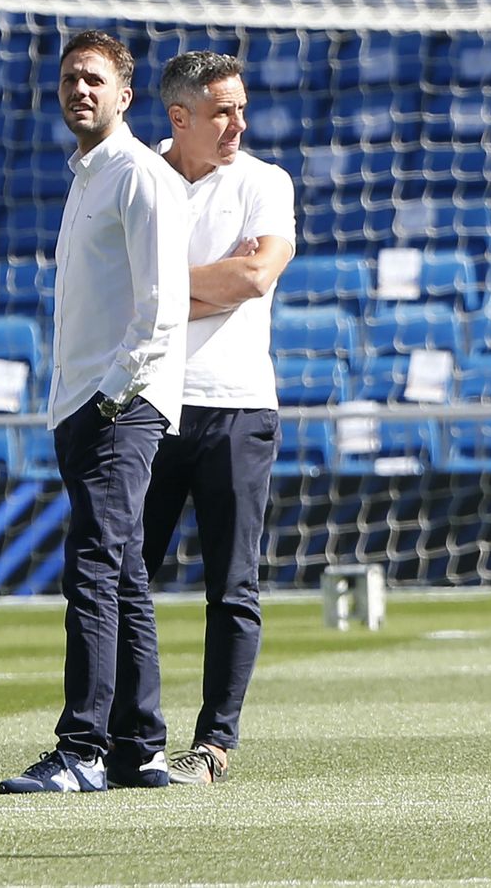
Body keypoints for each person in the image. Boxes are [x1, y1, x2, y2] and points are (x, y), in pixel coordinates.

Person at [0, 30, 189, 794]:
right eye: (70, 79)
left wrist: (111, 395)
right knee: (125, 573)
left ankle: (82, 748)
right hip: (88, 402)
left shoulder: (139, 173)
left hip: (119, 403)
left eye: (94, 80)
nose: (79, 90)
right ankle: (139, 746)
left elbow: (162, 306)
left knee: (93, 567)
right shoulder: (89, 175)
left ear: (125, 95)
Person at [141, 51, 296, 785]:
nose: (239, 124)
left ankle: (213, 744)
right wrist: (211, 284)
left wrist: (160, 291)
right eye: (223, 111)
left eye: (242, 108)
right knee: (122, 579)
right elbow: (115, 288)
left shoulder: (266, 181)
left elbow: (256, 275)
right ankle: (127, 736)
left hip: (237, 404)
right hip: (146, 402)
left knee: (233, 585)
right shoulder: (137, 176)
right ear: (180, 117)